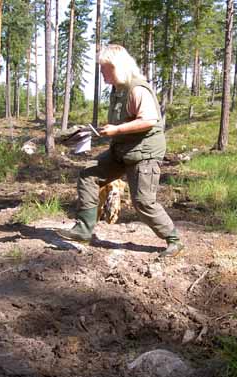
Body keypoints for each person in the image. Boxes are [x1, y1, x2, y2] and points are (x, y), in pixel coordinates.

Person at [58, 44, 184, 258]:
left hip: (144, 153)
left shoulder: (137, 88)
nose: (101, 73)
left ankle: (174, 240)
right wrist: (88, 133)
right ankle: (84, 229)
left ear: (116, 66)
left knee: (143, 202)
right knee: (88, 175)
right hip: (122, 149)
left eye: (104, 68)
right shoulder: (117, 90)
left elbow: (149, 120)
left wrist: (116, 129)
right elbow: (120, 122)